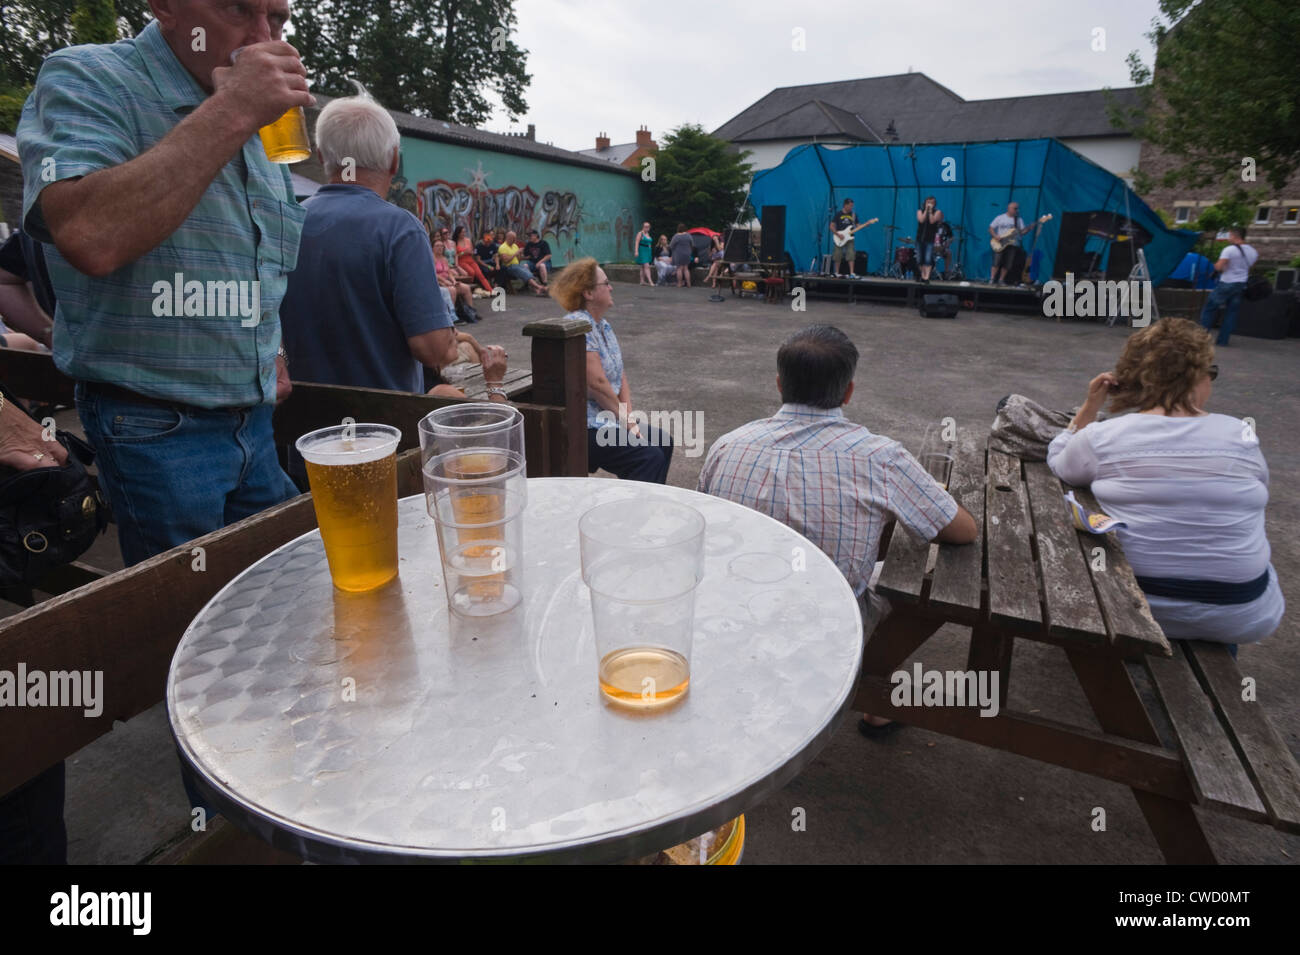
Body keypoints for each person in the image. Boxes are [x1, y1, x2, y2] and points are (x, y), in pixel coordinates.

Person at [17, 0, 313, 568]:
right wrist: (234, 108)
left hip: (254, 424)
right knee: (185, 628)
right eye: (237, 10)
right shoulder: (88, 76)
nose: (261, 38)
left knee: (282, 601)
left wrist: (267, 343)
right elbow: (89, 234)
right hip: (154, 426)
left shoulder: (264, 124)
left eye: (277, 19)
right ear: (165, 7)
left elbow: (258, 259)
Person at [697, 325, 977, 736]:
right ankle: (877, 703)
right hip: (826, 624)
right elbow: (962, 531)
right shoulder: (880, 458)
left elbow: (704, 527)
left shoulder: (727, 445)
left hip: (731, 613)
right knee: (904, 572)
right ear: (848, 392)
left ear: (779, 385)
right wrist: (925, 493)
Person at [1047, 318, 1282, 655]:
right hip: (1243, 612)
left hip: (1134, 603)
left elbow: (1060, 463)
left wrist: (1090, 407)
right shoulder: (1241, 434)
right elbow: (1260, 493)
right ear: (1198, 376)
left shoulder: (1104, 436)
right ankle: (1213, 640)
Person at [279, 93, 460, 396]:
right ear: (394, 160)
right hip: (381, 432)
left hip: (299, 429)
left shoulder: (287, 220)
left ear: (322, 156)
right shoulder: (400, 230)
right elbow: (432, 349)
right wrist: (450, 334)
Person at [550, 257, 672, 483]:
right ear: (588, 293)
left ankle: (646, 499)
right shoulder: (579, 324)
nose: (611, 287)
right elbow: (597, 384)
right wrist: (627, 423)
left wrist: (629, 418)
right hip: (585, 424)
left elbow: (620, 374)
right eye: (605, 283)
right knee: (648, 457)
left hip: (607, 419)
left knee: (663, 441)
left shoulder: (603, 325)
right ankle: (634, 512)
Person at [1199, 227, 1258, 346]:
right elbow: (1250, 267)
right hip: (1241, 284)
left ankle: (1201, 339)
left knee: (1210, 308)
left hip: (1227, 282)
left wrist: (1216, 265)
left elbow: (1219, 267)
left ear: (1234, 236)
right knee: (1231, 313)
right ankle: (1223, 340)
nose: (1228, 238)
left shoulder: (1229, 250)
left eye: (1229, 235)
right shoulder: (1253, 251)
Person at [988, 201, 1037, 285]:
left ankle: (1001, 280)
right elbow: (991, 228)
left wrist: (1029, 228)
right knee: (996, 262)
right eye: (1015, 208)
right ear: (1009, 208)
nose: (1017, 210)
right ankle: (992, 279)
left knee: (1008, 263)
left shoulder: (1019, 220)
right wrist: (995, 236)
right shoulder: (1000, 218)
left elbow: (1022, 232)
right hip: (1000, 242)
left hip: (1013, 244)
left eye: (1017, 208)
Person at [433, 238, 479, 324]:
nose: (440, 248)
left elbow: (449, 273)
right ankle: (452, 315)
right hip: (438, 283)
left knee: (466, 288)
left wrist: (454, 281)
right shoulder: (431, 258)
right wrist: (445, 281)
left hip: (448, 280)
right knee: (452, 290)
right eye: (437, 246)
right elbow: (433, 273)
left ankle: (471, 311)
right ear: (432, 247)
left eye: (441, 246)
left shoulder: (444, 259)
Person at [497, 230, 546, 295]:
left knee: (526, 270)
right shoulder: (503, 247)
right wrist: (516, 253)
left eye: (515, 238)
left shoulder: (515, 246)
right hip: (508, 267)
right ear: (508, 238)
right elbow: (506, 260)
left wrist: (524, 256)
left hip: (516, 266)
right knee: (523, 272)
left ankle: (537, 289)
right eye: (513, 238)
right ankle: (539, 287)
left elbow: (518, 259)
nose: (515, 240)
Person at [454, 225, 493, 292]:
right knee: (472, 272)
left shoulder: (468, 240)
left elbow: (472, 252)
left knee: (480, 274)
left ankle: (490, 290)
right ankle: (468, 289)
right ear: (458, 233)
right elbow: (455, 255)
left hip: (470, 259)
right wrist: (463, 253)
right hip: (461, 260)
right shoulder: (455, 242)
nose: (464, 234)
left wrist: (471, 252)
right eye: (462, 232)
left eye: (464, 232)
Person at [829, 198, 860, 278]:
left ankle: (852, 273)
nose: (851, 207)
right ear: (845, 205)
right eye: (850, 206)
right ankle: (837, 272)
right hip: (839, 237)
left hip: (850, 238)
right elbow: (831, 226)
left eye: (852, 206)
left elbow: (857, 226)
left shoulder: (853, 215)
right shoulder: (838, 214)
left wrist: (865, 225)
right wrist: (837, 234)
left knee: (851, 254)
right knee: (837, 254)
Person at [915, 196, 944, 283]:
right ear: (925, 203)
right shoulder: (920, 211)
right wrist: (926, 211)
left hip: (930, 239)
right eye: (928, 202)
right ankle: (923, 276)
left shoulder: (937, 212)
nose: (930, 204)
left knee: (927, 259)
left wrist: (930, 211)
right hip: (920, 238)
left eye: (932, 202)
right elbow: (921, 220)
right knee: (920, 259)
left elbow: (932, 221)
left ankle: (926, 277)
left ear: (934, 204)